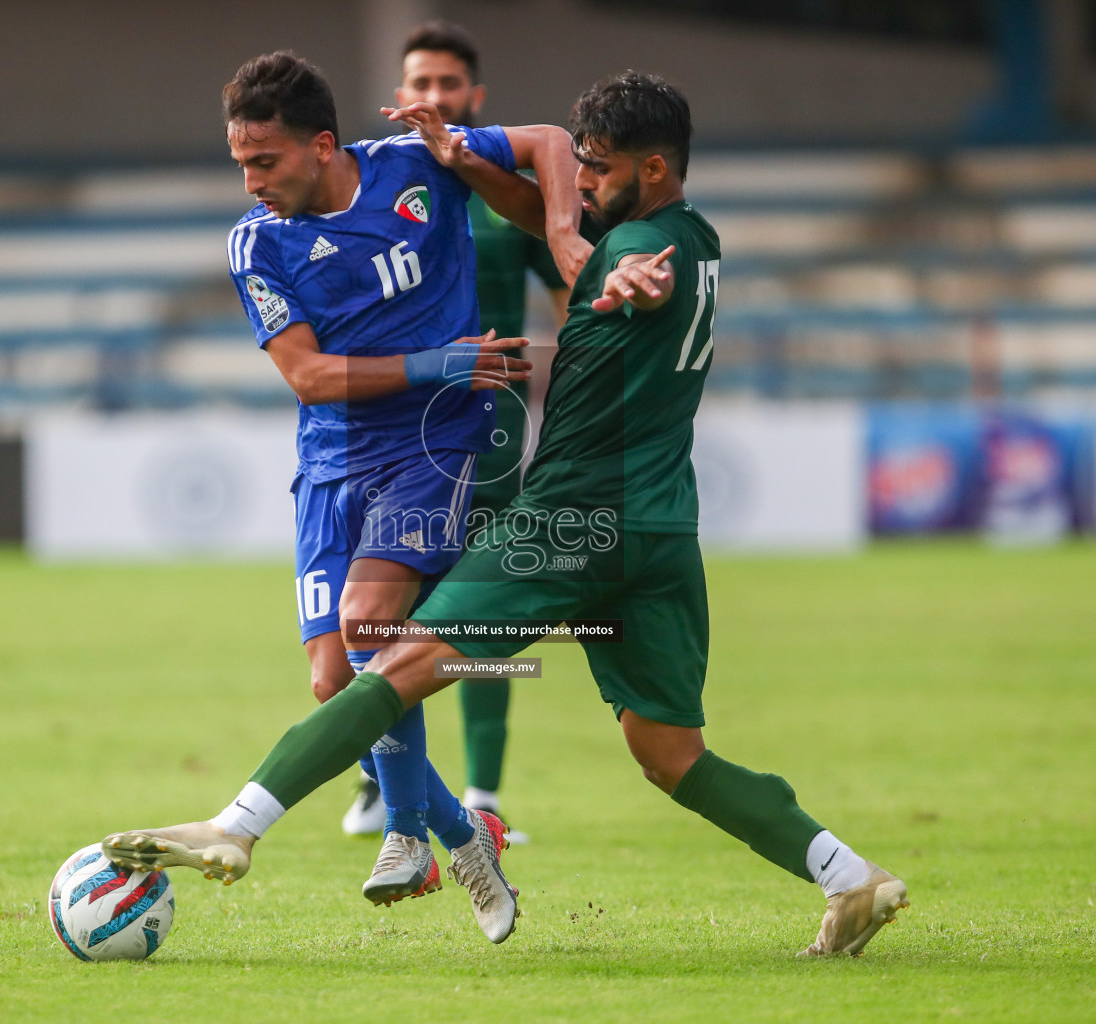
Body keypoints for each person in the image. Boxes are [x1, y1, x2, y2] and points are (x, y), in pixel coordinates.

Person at [106, 71, 907, 957]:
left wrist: (610, 273)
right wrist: (470, 164)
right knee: (671, 753)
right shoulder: (696, 238)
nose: (582, 185)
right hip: (663, 530)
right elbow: (549, 215)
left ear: (650, 169)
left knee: (396, 664)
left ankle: (239, 823)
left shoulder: (636, 258)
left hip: (569, 525)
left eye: (597, 170)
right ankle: (848, 876)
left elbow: (613, 271)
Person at [109, 50, 581, 940]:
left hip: (435, 443)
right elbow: (314, 378)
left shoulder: (414, 165)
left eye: (266, 161)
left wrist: (560, 231)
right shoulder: (257, 242)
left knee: (368, 628)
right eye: (240, 161)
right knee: (336, 683)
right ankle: (460, 834)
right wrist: (445, 357)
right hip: (331, 461)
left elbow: (551, 140)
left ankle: (404, 830)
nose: (250, 181)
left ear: (323, 145)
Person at [341, 21, 570, 843]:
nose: (433, 98)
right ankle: (389, 776)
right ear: (401, 97)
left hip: (487, 428)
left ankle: (482, 791)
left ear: (474, 97)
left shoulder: (504, 205)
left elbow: (568, 281)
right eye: (420, 85)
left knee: (472, 606)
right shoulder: (373, 192)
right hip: (388, 428)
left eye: (448, 85)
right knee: (371, 607)